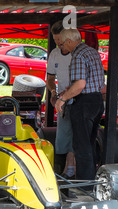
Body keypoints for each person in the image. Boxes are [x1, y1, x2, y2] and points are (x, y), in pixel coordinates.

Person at [54, 28, 105, 183]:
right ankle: (92, 179)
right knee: (89, 142)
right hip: (96, 100)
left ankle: (84, 184)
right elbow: (92, 81)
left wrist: (62, 99)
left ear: (69, 41)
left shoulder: (78, 55)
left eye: (62, 44)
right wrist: (70, 90)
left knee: (81, 145)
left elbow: (81, 84)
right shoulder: (92, 52)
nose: (62, 48)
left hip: (84, 103)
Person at [46, 21, 75, 179]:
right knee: (62, 135)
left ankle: (71, 168)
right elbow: (50, 78)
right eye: (55, 39)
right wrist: (53, 92)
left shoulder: (76, 53)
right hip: (62, 101)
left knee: (76, 135)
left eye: (59, 39)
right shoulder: (54, 54)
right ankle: (61, 171)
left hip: (79, 99)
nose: (58, 43)